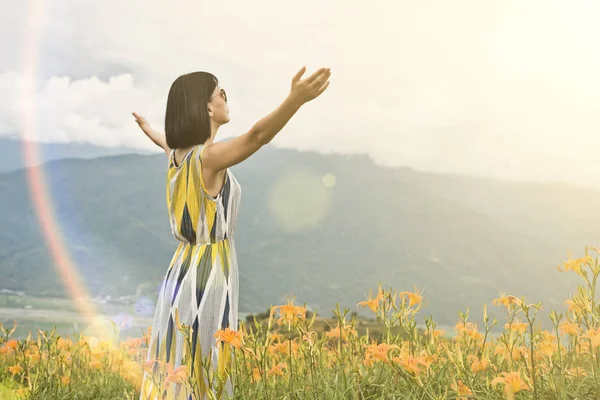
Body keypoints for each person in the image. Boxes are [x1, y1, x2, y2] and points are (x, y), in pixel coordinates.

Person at [132, 66, 331, 399]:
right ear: (207, 108)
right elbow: (256, 137)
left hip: (182, 267)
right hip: (208, 273)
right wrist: (294, 100)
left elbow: (166, 144)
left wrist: (151, 130)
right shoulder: (209, 159)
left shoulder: (179, 157)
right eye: (219, 92)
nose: (225, 97)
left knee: (180, 359)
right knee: (205, 359)